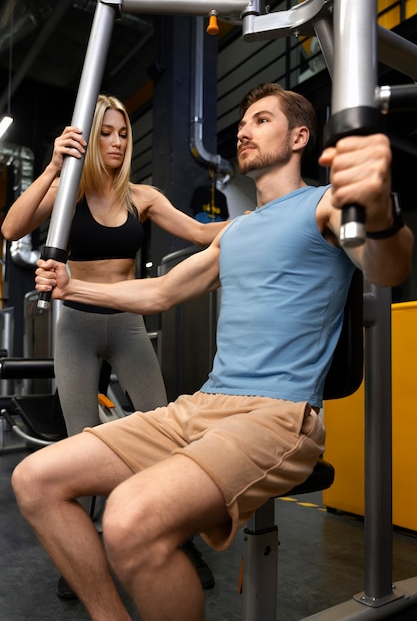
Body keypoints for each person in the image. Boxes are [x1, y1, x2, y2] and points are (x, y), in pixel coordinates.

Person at [12, 82, 413, 621]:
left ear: (300, 136)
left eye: (261, 120)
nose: (244, 130)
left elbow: (389, 268)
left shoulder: (325, 204)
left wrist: (382, 211)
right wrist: (72, 286)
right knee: (35, 479)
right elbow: (160, 292)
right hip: (202, 404)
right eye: (243, 122)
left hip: (276, 413)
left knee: (129, 517)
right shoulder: (238, 231)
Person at [1, 94, 222, 594]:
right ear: (89, 137)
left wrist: (265, 220)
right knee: (78, 448)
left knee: (164, 436)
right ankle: (78, 553)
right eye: (107, 132)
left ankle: (179, 538)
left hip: (127, 326)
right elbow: (12, 227)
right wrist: (55, 167)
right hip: (75, 327)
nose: (118, 141)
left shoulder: (141, 197)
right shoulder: (68, 193)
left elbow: (203, 232)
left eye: (123, 132)